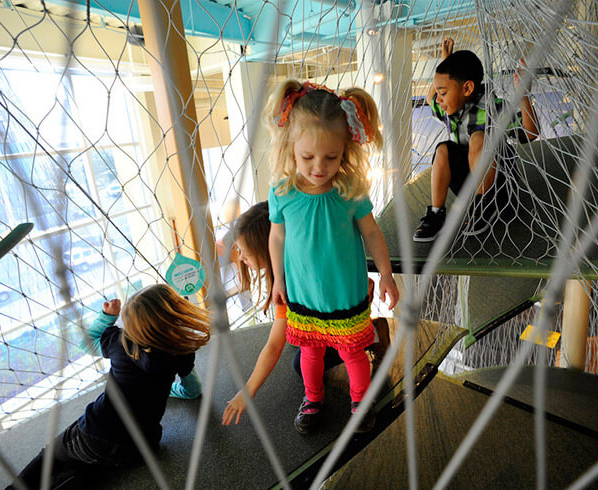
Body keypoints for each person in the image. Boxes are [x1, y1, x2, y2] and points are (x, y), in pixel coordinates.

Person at [266, 80, 399, 434]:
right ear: (290, 147)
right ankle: (312, 398)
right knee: (309, 355)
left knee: (353, 354)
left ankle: (360, 401)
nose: (319, 167)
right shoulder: (283, 192)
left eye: (332, 156)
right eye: (307, 157)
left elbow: (371, 232)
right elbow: (277, 235)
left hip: (346, 295)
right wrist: (277, 278)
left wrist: (386, 274)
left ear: (346, 150)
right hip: (304, 295)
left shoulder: (349, 190)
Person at [8, 284, 211, 489]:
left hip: (96, 433)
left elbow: (86, 344)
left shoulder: (119, 342)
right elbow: (193, 390)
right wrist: (170, 389)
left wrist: (106, 316)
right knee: (94, 464)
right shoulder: (182, 350)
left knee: (53, 454)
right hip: (142, 448)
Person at [221, 201, 390, 427]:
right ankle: (314, 396)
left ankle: (374, 335)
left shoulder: (295, 282)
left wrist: (248, 390)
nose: (240, 257)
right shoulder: (289, 272)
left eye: (245, 252)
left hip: (345, 313)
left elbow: (273, 345)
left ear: (268, 249)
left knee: (315, 359)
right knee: (305, 349)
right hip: (317, 316)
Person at [412, 39, 540, 242]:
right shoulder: (451, 110)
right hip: (470, 184)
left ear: (468, 88)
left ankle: (484, 206)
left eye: (443, 93)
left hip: (500, 186)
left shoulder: (494, 108)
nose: (438, 99)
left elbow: (531, 133)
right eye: (438, 92)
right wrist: (446, 61)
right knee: (443, 149)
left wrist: (523, 95)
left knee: (478, 138)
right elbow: (430, 99)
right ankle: (437, 213)